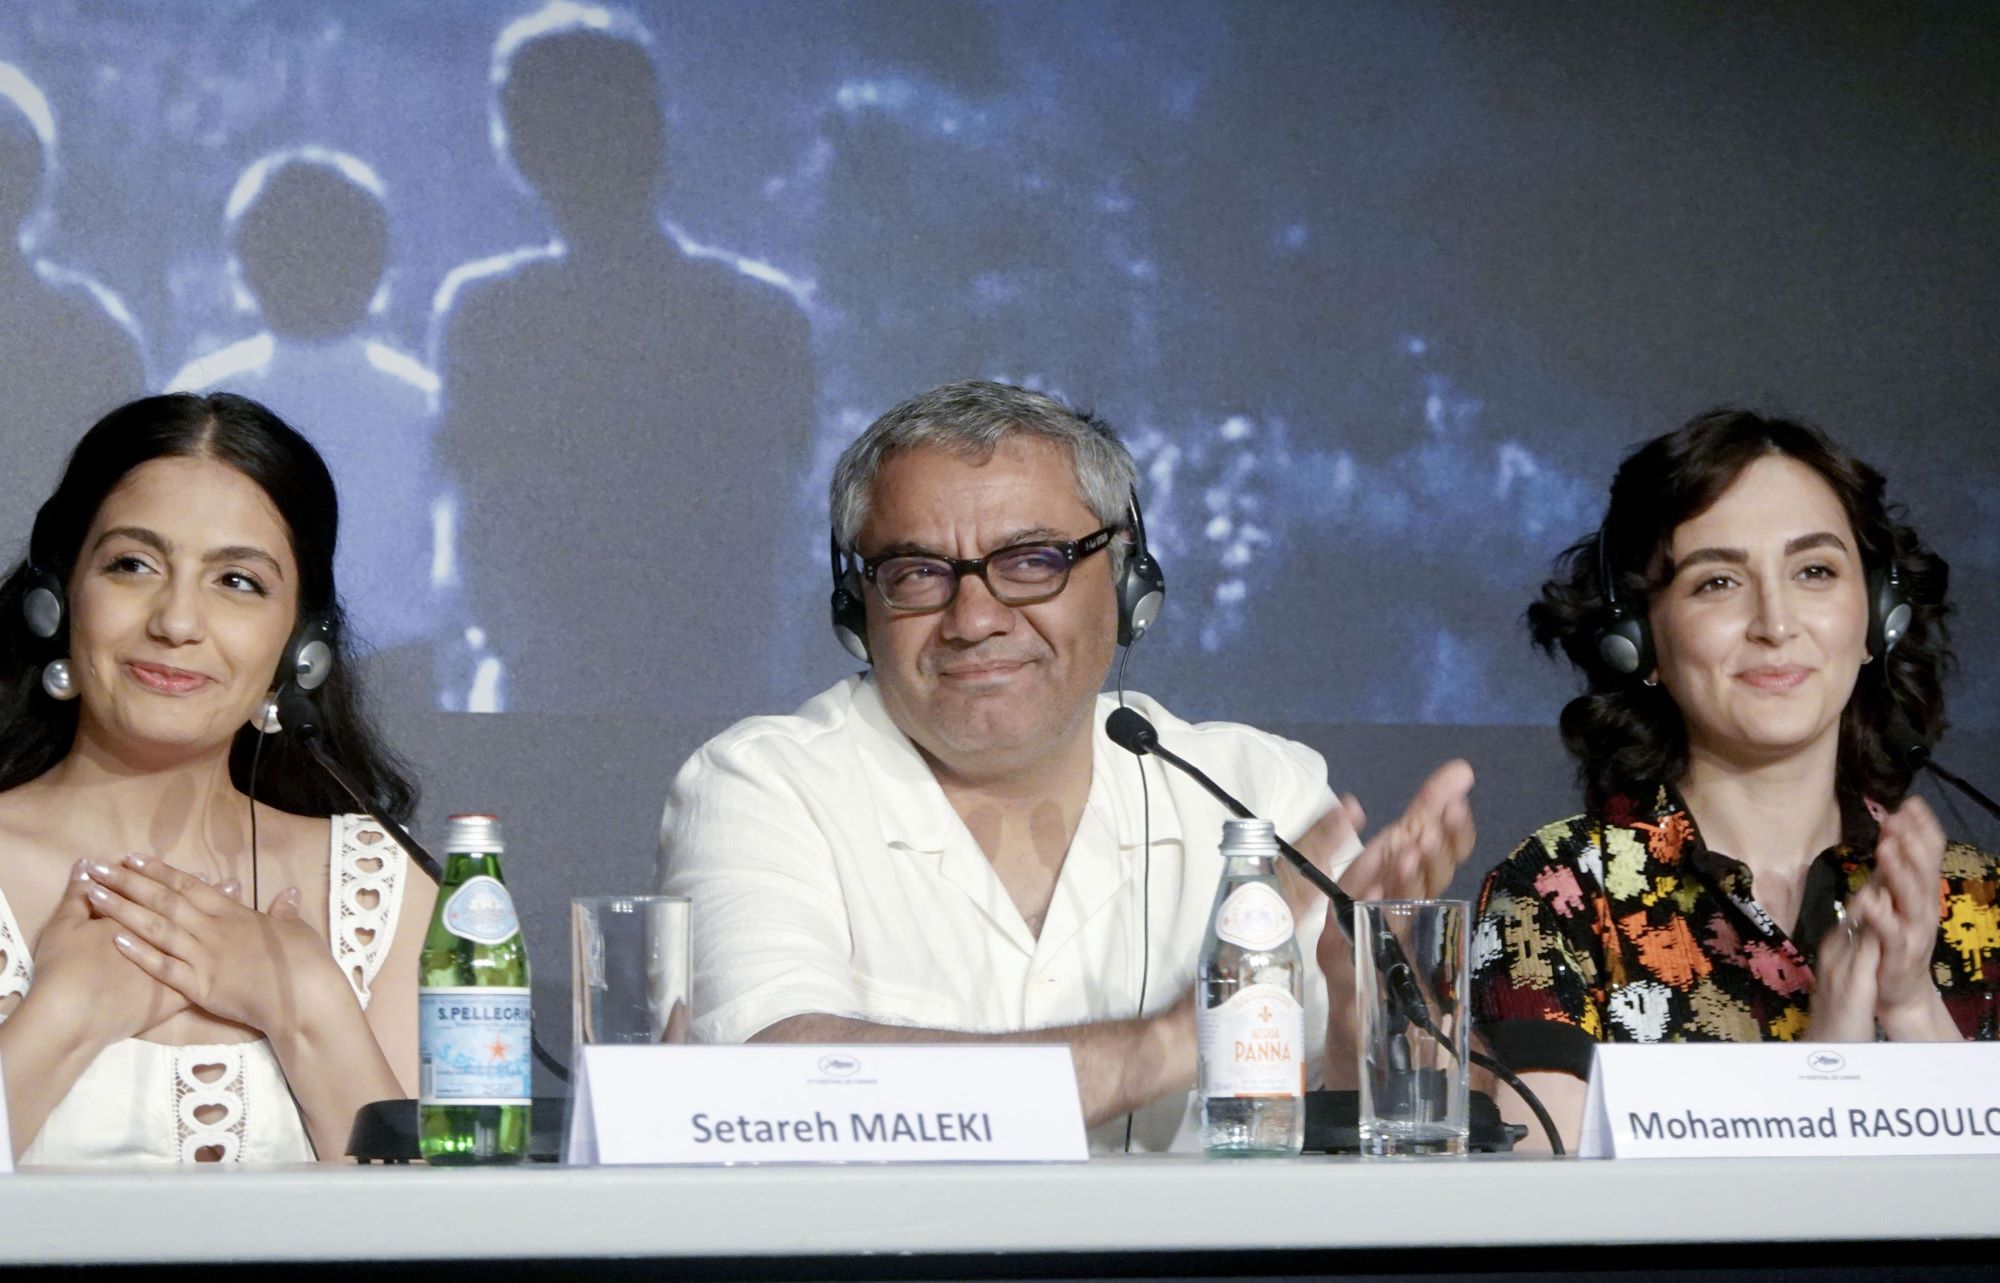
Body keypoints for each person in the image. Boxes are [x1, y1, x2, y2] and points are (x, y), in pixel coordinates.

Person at [659, 380, 1475, 1151]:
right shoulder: (760, 787)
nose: (974, 619)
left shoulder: (1262, 793)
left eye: (1030, 562)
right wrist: (1168, 1043)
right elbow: (764, 1081)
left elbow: (1353, 1170)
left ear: (1125, 579)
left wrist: (1369, 1018)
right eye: (917, 574)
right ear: (857, 607)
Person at [1471, 409, 1998, 1151]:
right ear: (1638, 643)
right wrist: (1831, 1052)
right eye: (1717, 581)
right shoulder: (1562, 892)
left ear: (1879, 615)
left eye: (1814, 571)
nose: (1775, 622)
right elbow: (1541, 1207)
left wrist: (1910, 1007)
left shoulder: (1981, 903)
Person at [0, 392, 436, 1164]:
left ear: (301, 644)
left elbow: (460, 1251)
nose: (175, 621)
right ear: (56, 600)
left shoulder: (383, 889)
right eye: (132, 565)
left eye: (237, 581)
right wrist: (62, 1017)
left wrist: (311, 1011)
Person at [429, 1, 815, 714]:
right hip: (719, 693)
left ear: (516, 147)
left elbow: (480, 516)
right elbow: (785, 516)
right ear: (658, 133)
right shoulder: (763, 313)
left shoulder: (489, 316)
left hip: (551, 696)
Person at [168, 147, 443, 661]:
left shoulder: (421, 403)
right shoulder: (203, 392)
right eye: (282, 244)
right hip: (232, 653)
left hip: (392, 663)